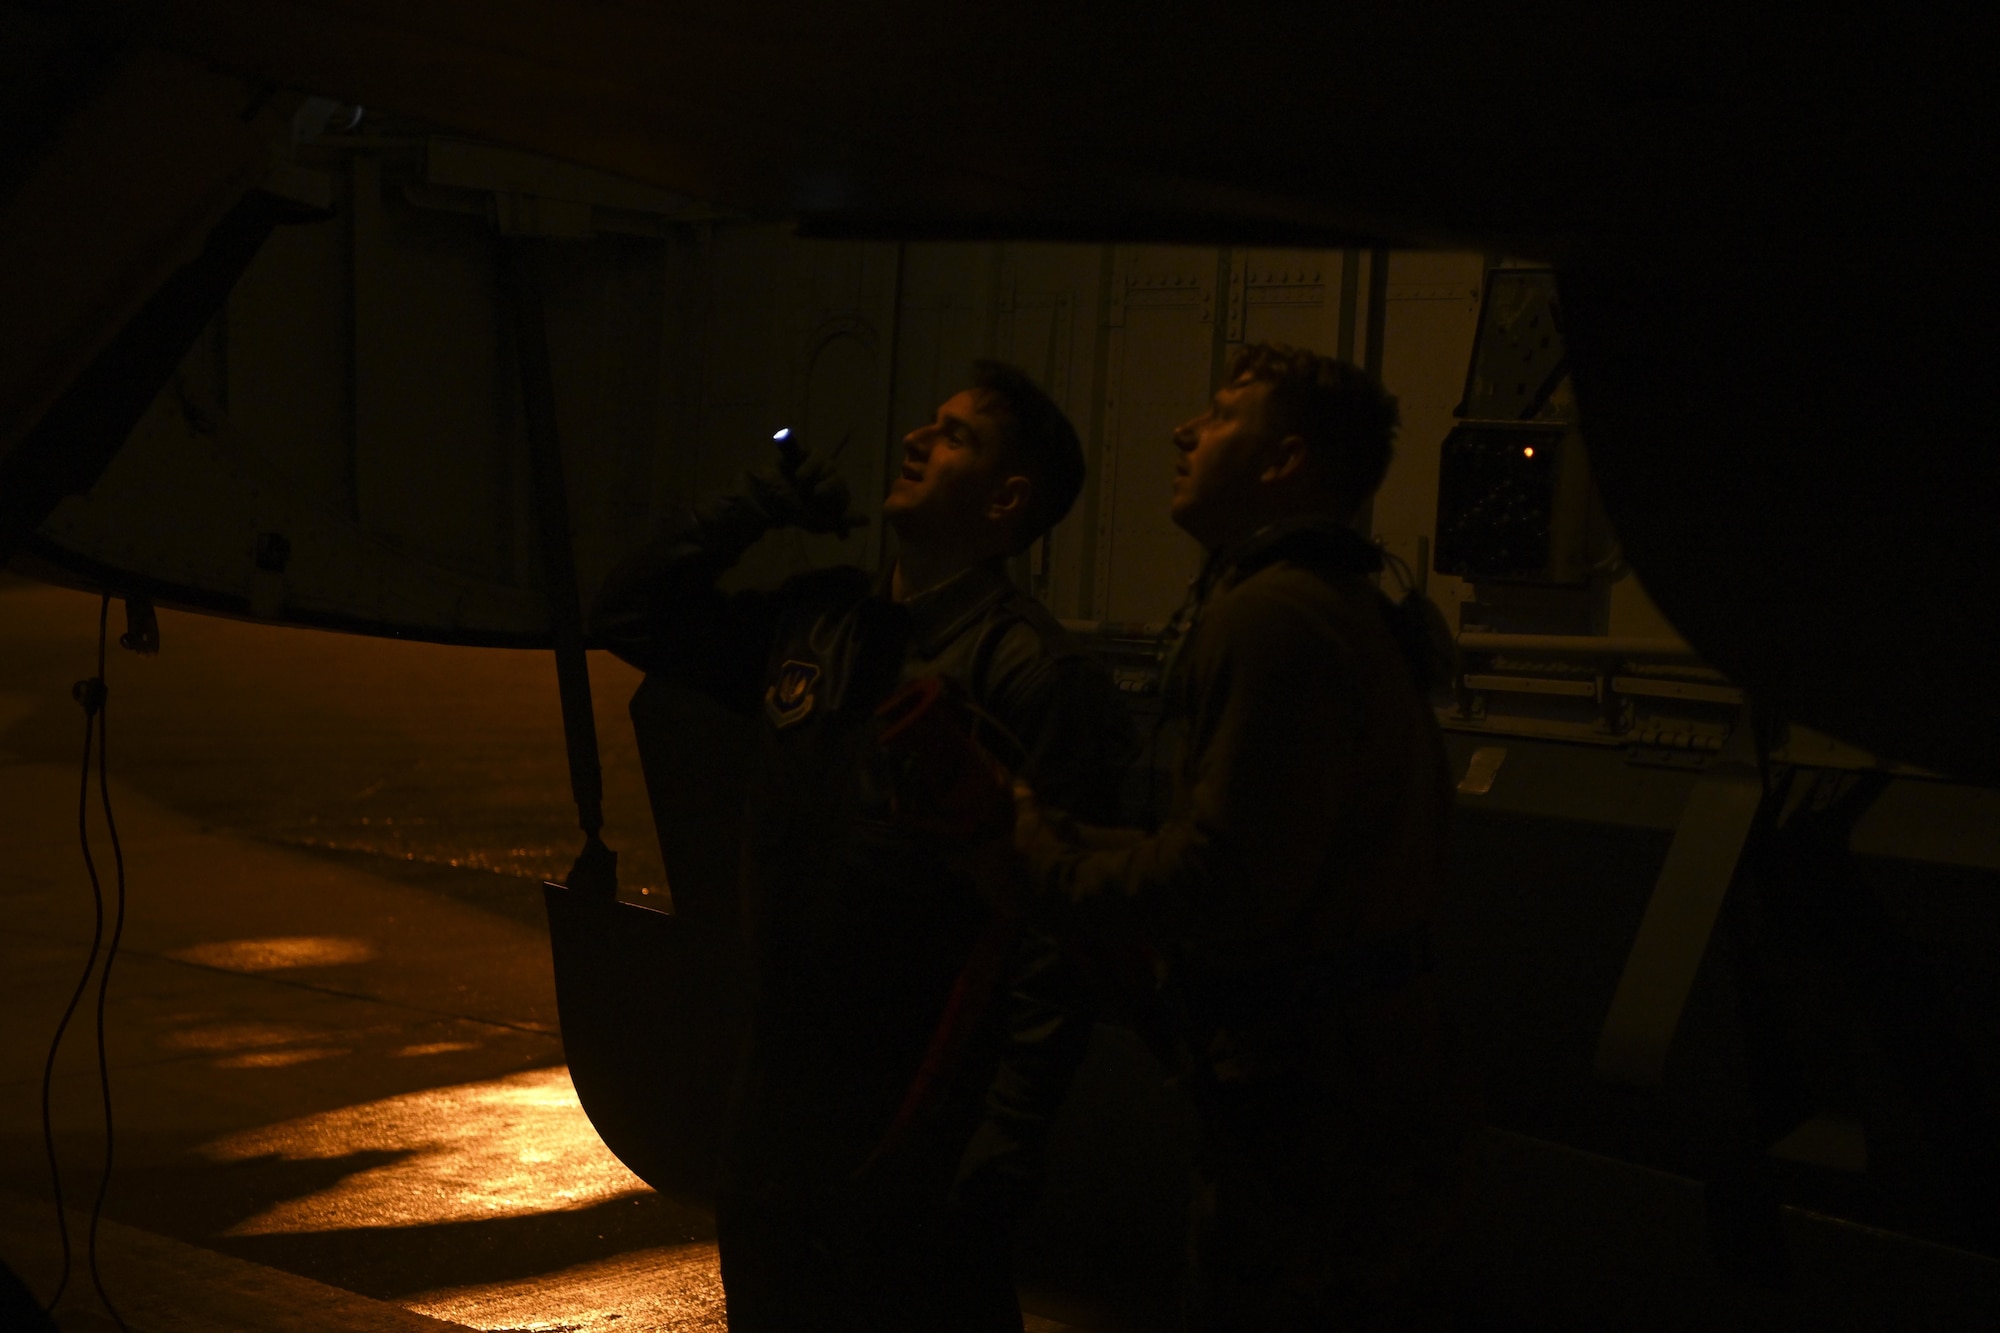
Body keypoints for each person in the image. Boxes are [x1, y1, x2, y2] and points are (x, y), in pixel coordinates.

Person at [589, 361, 1134, 1332]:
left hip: (917, 1102)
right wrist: (754, 506)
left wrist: (1005, 1134)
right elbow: (628, 613)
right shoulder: (822, 622)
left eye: (955, 435)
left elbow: (1059, 937)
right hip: (774, 1093)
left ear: (1008, 498)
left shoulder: (1032, 675)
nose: (917, 440)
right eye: (926, 424)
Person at [1012, 343, 1470, 1332]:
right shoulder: (1338, 607)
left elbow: (1222, 882)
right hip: (1363, 1086)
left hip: (1303, 1112)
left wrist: (1032, 854)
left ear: (1283, 462)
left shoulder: (1266, 619)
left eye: (1219, 417)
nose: (1183, 431)